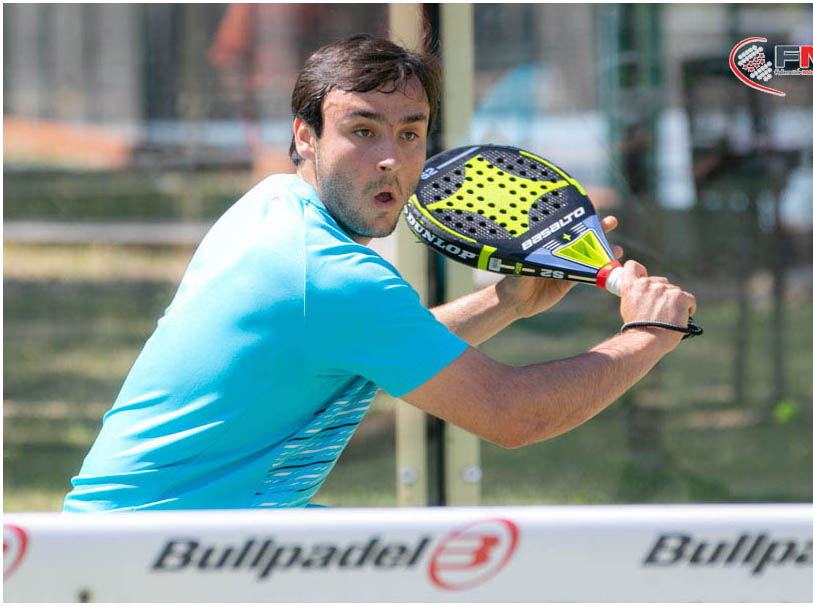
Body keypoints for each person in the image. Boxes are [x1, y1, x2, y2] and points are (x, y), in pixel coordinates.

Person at [63, 34, 695, 512]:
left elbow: (383, 343)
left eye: (410, 134)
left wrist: (508, 301)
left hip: (176, 539)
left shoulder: (272, 205)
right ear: (306, 136)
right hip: (150, 560)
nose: (391, 159)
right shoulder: (329, 275)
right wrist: (647, 335)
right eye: (362, 131)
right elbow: (514, 415)